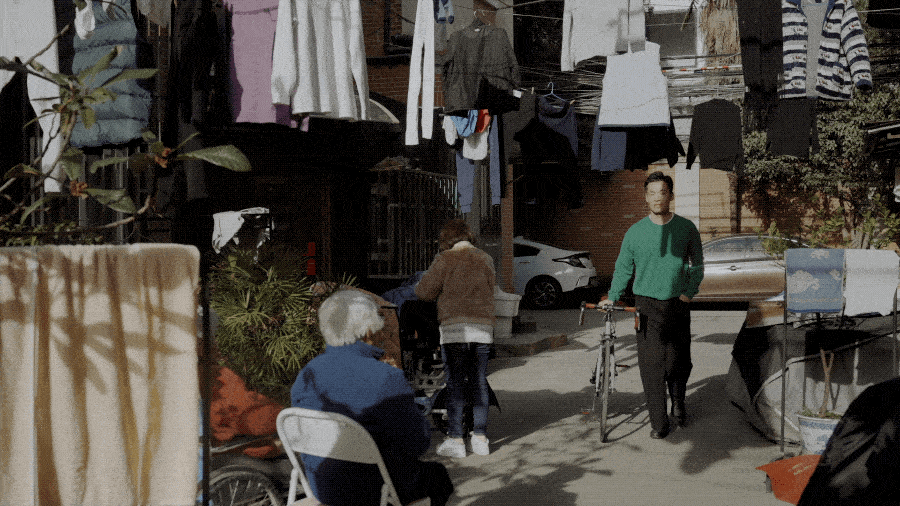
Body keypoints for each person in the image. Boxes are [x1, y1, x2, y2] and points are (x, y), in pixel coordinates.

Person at [291, 290, 453, 506]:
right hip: (375, 488)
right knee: (438, 476)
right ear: (368, 330)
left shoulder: (307, 374)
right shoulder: (386, 377)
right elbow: (417, 443)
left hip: (324, 486)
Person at [599, 171, 704, 439]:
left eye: (663, 192)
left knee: (678, 361)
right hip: (646, 306)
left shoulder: (686, 228)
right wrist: (613, 295)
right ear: (646, 198)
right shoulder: (635, 232)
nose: (658, 197)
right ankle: (659, 422)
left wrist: (689, 292)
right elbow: (623, 268)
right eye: (653, 193)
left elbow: (697, 264)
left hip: (677, 303)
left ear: (671, 195)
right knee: (651, 365)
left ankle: (678, 402)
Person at [415, 219, 496, 458]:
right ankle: (480, 439)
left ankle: (456, 440)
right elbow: (491, 290)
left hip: (454, 330)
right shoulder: (485, 259)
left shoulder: (445, 259)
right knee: (479, 382)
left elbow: (424, 292)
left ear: (447, 239)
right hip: (482, 328)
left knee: (456, 384)